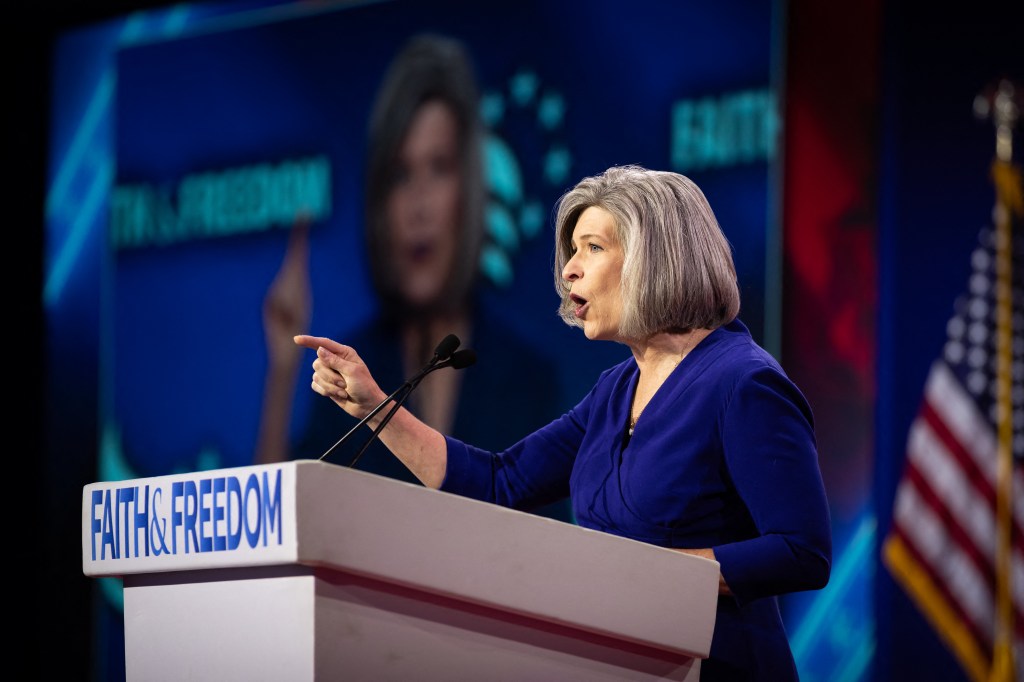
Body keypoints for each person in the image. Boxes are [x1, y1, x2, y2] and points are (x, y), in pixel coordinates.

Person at [295, 164, 832, 680]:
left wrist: (659, 575)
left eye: (593, 249)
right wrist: (375, 408)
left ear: (656, 259)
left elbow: (800, 551)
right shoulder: (613, 392)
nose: (569, 269)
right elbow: (498, 483)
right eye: (572, 251)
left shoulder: (743, 383)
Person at [255, 34, 567, 519]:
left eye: (438, 168)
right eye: (401, 176)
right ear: (379, 201)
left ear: (470, 190)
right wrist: (281, 370)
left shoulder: (529, 380)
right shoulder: (346, 370)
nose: (419, 204)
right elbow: (283, 525)